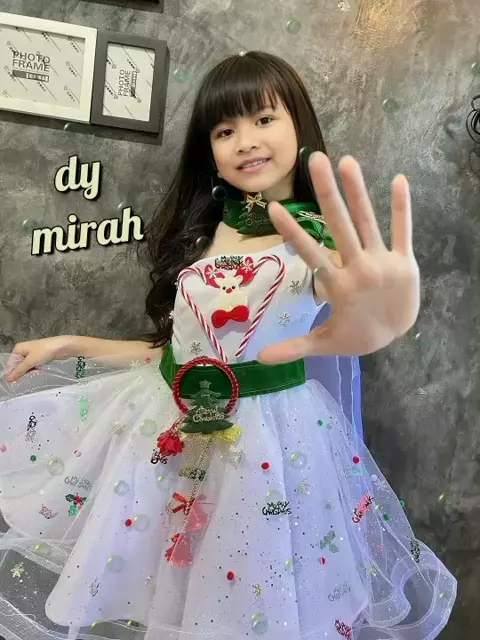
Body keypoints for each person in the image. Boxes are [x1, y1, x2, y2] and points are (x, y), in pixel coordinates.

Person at [0, 51, 455, 640]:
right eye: (224, 130)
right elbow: (173, 353)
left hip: (266, 452)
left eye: (264, 119)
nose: (246, 141)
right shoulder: (209, 227)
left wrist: (382, 315)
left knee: (247, 598)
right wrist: (68, 345)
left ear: (299, 125)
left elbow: (350, 288)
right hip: (164, 434)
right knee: (157, 589)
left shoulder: (317, 243)